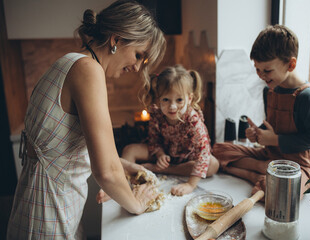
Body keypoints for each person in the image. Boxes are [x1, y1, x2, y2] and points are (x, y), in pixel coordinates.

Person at [7, 1, 166, 239]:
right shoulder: (88, 70)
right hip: (48, 216)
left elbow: (62, 153)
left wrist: (127, 166)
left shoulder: (68, 62)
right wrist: (138, 204)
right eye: (138, 55)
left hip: (40, 207)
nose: (136, 67)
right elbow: (106, 172)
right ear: (116, 40)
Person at [213, 25, 310, 201]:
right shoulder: (270, 90)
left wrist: (274, 139)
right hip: (269, 155)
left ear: (291, 64)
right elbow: (272, 125)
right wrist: (257, 133)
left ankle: (253, 173)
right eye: (257, 69)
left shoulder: (309, 97)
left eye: (267, 70)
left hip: (297, 165)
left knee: (282, 193)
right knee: (219, 149)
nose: (261, 75)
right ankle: (261, 169)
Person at [98, 65, 219, 200]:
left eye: (179, 100)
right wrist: (160, 154)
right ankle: (119, 185)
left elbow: (203, 152)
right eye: (166, 100)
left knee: (213, 164)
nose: (172, 106)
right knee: (130, 149)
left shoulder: (193, 120)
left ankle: (161, 169)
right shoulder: (157, 113)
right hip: (165, 151)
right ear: (158, 99)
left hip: (187, 157)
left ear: (189, 99)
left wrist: (190, 185)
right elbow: (153, 139)